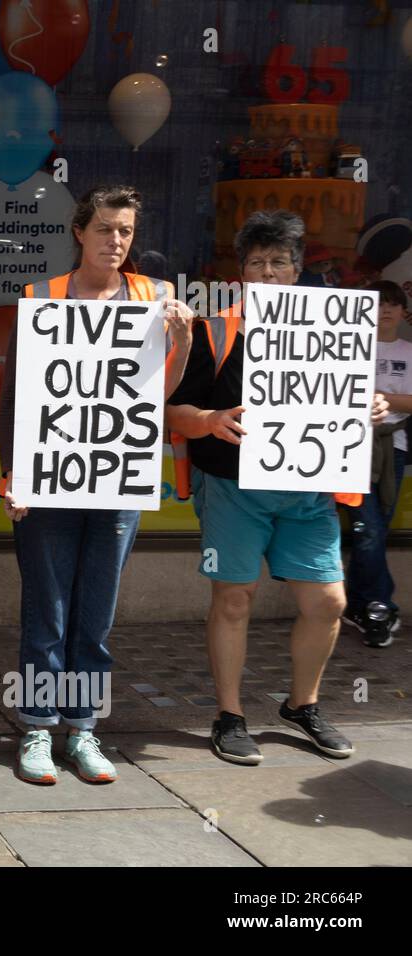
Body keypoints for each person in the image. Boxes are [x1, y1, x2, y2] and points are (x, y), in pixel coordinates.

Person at [166, 210, 388, 765]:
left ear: (297, 270)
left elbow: (350, 401)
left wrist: (373, 407)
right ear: (240, 271)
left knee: (329, 601)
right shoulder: (215, 329)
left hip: (309, 491)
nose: (268, 272)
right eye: (257, 263)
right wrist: (211, 420)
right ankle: (229, 715)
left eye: (279, 262)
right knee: (234, 599)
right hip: (232, 487)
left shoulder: (333, 327)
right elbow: (175, 413)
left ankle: (301, 705)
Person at [0, 185, 194, 785]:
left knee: (95, 616)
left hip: (116, 481)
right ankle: (36, 728)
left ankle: (82, 730)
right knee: (46, 610)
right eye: (106, 229)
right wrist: (14, 475)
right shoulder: (42, 297)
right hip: (50, 482)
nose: (116, 241)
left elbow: (158, 395)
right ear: (80, 231)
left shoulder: (152, 298)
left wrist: (182, 340)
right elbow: (18, 399)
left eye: (127, 232)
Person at [341, 280, 412, 647]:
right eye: (377, 304)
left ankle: (358, 603)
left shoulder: (409, 350)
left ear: (403, 312)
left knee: (374, 529)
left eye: (392, 304)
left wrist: (380, 397)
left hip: (393, 448)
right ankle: (380, 606)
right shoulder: (349, 346)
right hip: (352, 445)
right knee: (367, 529)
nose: (385, 311)